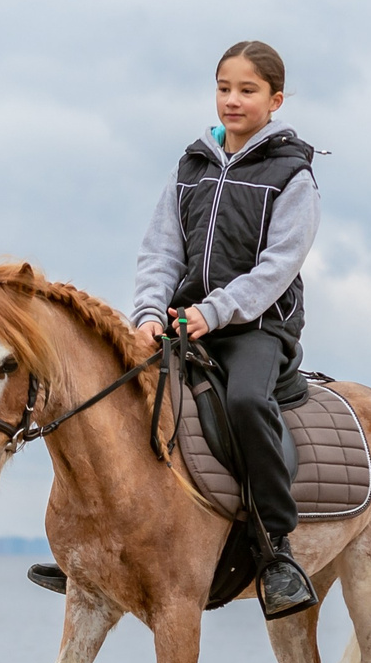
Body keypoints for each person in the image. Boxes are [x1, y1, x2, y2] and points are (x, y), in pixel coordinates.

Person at [130, 40, 322, 618]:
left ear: (275, 99)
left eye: (247, 90)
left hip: (258, 329)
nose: (232, 100)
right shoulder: (189, 167)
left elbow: (277, 268)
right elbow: (161, 251)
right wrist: (145, 316)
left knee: (243, 401)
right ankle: (100, 544)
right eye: (223, 88)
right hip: (181, 323)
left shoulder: (293, 175)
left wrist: (212, 312)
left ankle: (277, 551)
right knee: (115, 393)